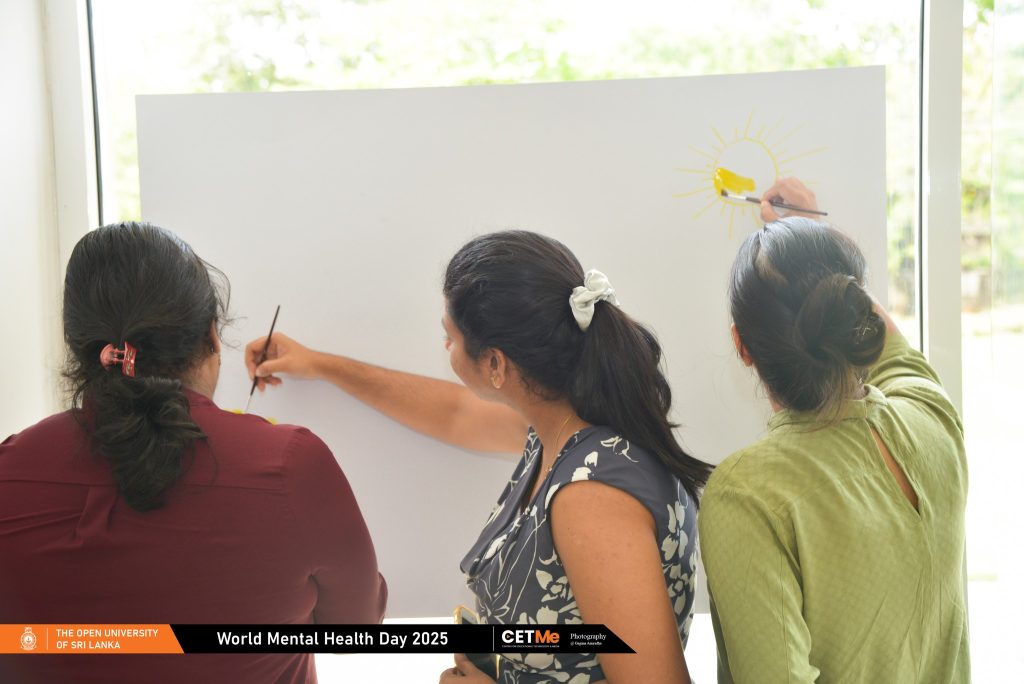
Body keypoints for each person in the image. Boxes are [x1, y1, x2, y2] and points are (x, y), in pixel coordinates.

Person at [246, 230, 713, 683]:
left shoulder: (593, 497)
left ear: (495, 364)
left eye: (449, 337)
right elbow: (454, 413)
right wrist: (319, 364)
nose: (445, 348)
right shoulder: (563, 426)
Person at [0, 222, 387, 684]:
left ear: (81, 348)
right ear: (211, 335)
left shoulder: (9, 471)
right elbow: (356, 629)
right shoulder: (290, 466)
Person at [698, 179, 970, 682]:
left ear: (742, 345)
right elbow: (890, 344)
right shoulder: (931, 415)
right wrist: (807, 233)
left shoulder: (749, 492)